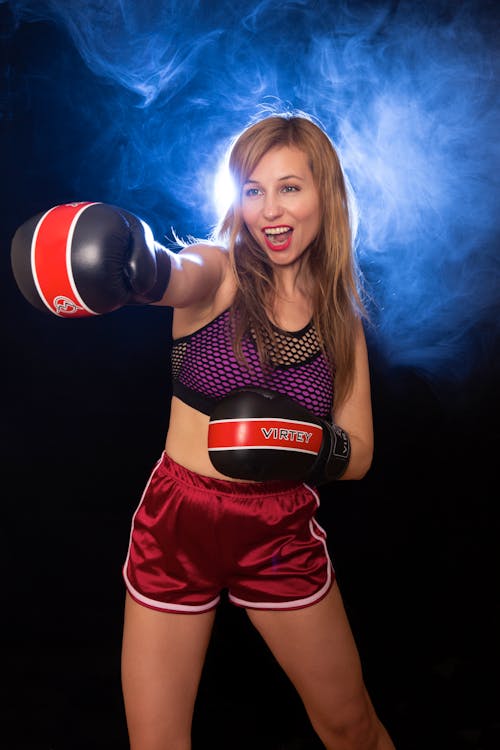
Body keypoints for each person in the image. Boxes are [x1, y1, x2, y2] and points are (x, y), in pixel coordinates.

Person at [11, 112, 396, 749]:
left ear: (324, 194)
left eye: (290, 187)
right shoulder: (217, 272)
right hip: (177, 522)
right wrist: (140, 269)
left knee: (351, 727)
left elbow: (359, 456)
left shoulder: (340, 320)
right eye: (254, 189)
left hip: (279, 532)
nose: (270, 208)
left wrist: (294, 440)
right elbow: (173, 272)